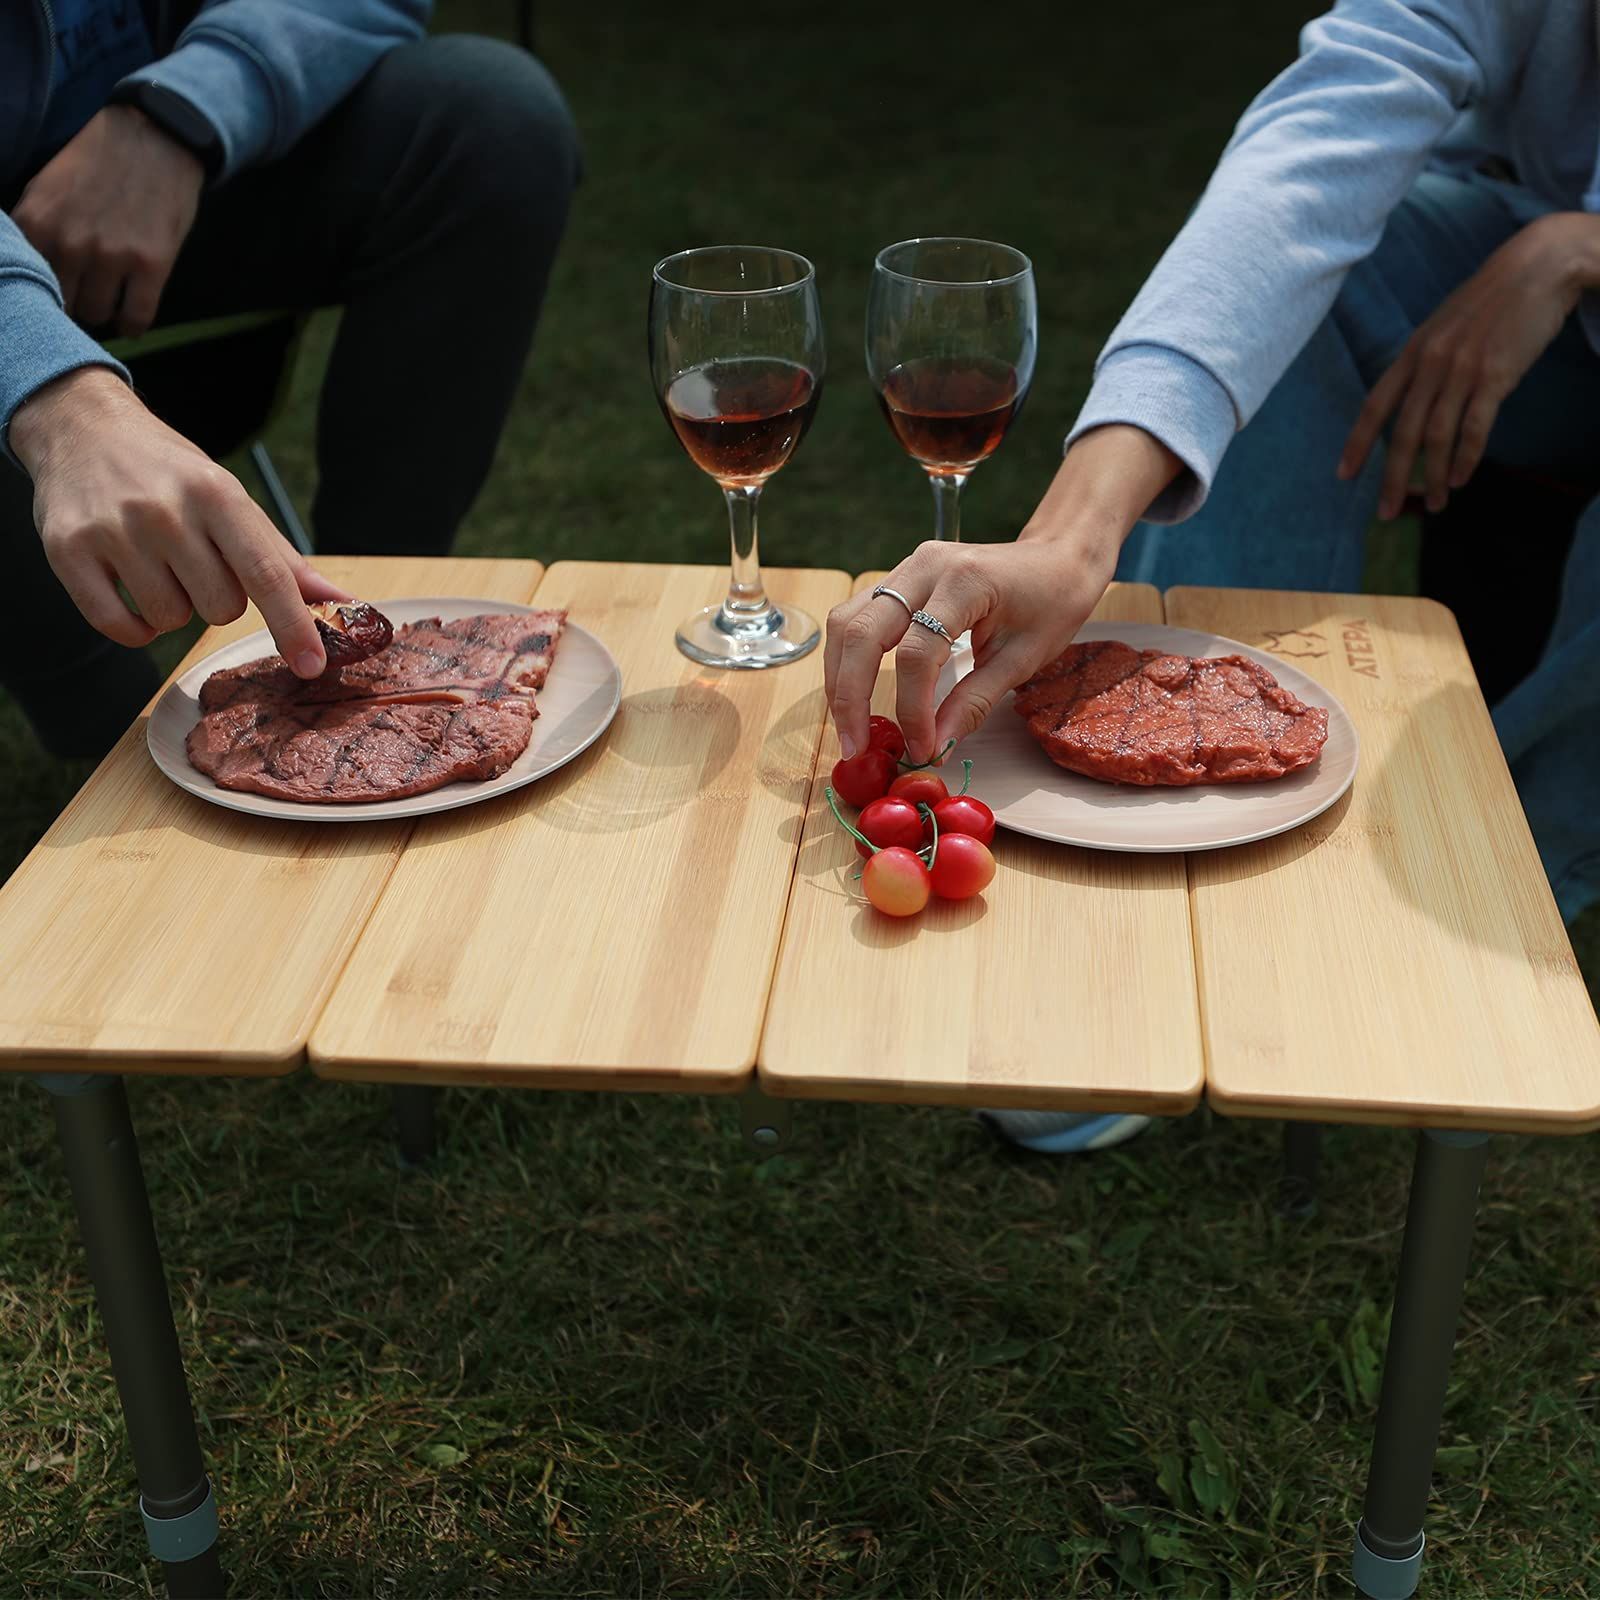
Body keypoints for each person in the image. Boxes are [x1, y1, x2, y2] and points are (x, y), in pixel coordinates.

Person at [823, 0, 1600, 1152]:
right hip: (1534, 245)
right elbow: (1315, 152)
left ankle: (1498, 886)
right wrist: (1072, 534)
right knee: (1302, 283)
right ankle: (1172, 900)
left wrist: (1582, 248)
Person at [1, 0, 579, 757]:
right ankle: (97, 713)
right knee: (115, 741)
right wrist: (55, 393)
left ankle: (382, 627)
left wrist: (174, 119)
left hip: (186, 168)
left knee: (493, 117)